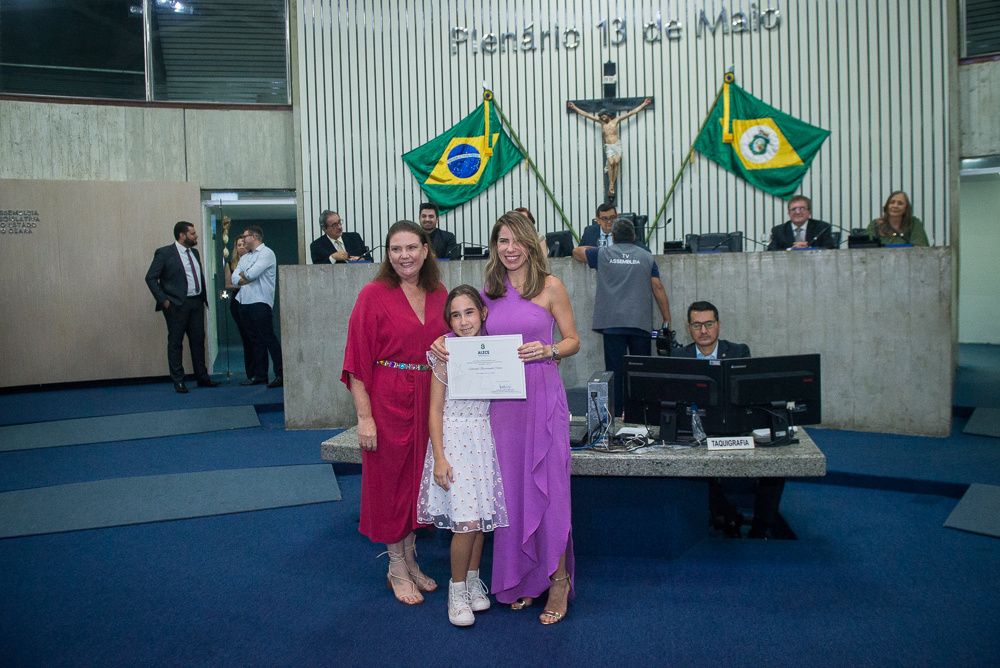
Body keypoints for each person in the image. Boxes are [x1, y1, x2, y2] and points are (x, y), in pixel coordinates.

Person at [432, 210, 581, 624]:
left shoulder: (551, 287)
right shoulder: (489, 291)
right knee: (512, 494)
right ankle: (524, 580)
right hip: (501, 408)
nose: (510, 248)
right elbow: (467, 330)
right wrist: (440, 342)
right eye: (502, 241)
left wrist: (549, 349)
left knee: (549, 491)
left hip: (542, 398)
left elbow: (573, 341)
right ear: (495, 247)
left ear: (531, 243)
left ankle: (558, 581)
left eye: (517, 240)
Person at [341, 220, 449, 606]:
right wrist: (364, 416)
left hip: (431, 399)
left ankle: (410, 558)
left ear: (425, 250)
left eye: (411, 248)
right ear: (387, 254)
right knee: (390, 484)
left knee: (418, 483)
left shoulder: (439, 293)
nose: (404, 256)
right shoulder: (373, 294)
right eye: (395, 249)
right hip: (387, 398)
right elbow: (355, 361)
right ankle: (396, 568)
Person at [419, 285, 508, 627]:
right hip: (454, 439)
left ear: (483, 313)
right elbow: (435, 410)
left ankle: (472, 581)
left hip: (482, 438)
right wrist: (440, 457)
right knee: (466, 521)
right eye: (455, 315)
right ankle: (455, 592)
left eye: (469, 312)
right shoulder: (445, 353)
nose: (463, 320)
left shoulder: (495, 348)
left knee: (481, 518)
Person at [675, 301, 783, 539]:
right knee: (686, 465)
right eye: (697, 325)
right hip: (693, 432)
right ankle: (727, 512)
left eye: (709, 324)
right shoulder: (678, 356)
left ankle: (759, 529)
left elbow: (750, 394)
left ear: (719, 325)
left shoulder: (739, 352)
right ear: (689, 328)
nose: (704, 331)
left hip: (735, 428)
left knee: (778, 461)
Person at [572, 217, 671, 414]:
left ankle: (617, 416)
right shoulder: (646, 257)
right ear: (634, 236)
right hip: (640, 324)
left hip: (613, 324)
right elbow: (657, 287)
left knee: (615, 374)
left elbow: (576, 252)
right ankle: (642, 414)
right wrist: (666, 319)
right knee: (641, 372)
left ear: (613, 237)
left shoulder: (603, 253)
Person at [144, 221, 220, 393]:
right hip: (176, 305)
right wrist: (164, 300)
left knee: (198, 341)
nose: (196, 236)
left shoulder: (194, 252)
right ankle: (178, 381)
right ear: (182, 235)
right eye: (193, 234)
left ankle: (202, 378)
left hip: (196, 303)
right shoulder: (164, 253)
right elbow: (150, 278)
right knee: (176, 343)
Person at [567, 98, 652, 197]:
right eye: (601, 117)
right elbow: (586, 115)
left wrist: (644, 104)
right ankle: (611, 183)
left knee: (616, 162)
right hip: (609, 146)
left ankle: (612, 184)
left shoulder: (616, 121)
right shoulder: (602, 123)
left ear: (607, 115)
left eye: (603, 116)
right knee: (611, 163)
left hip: (616, 144)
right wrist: (575, 108)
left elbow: (632, 113)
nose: (602, 119)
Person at [234, 226, 283, 388]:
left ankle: (280, 374)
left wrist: (245, 275)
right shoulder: (246, 257)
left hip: (260, 302)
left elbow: (250, 275)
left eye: (245, 236)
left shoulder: (266, 253)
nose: (243, 240)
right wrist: (244, 276)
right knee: (255, 341)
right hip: (244, 302)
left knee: (269, 339)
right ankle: (260, 375)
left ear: (254, 237)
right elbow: (235, 277)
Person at [224, 234, 256, 381]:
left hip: (253, 300)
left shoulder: (254, 260)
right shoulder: (230, 264)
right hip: (237, 302)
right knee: (246, 337)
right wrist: (241, 282)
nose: (241, 247)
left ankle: (259, 371)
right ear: (235, 248)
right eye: (239, 245)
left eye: (243, 244)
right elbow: (228, 284)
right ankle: (250, 373)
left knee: (256, 336)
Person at [766, 195, 836, 250]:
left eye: (802, 208)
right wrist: (791, 250)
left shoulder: (822, 228)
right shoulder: (778, 230)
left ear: (809, 212)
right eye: (794, 209)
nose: (798, 212)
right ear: (788, 213)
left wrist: (808, 249)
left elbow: (830, 249)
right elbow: (771, 251)